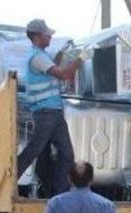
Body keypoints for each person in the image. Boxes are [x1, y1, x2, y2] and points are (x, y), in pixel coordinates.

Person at [16, 19, 91, 198]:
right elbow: (64, 74)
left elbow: (55, 67)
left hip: (54, 112)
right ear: (36, 36)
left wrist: (62, 53)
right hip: (45, 113)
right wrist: (81, 58)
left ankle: (58, 193)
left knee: (65, 154)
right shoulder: (37, 57)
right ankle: (10, 181)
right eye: (47, 34)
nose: (50, 36)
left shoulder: (42, 55)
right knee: (35, 149)